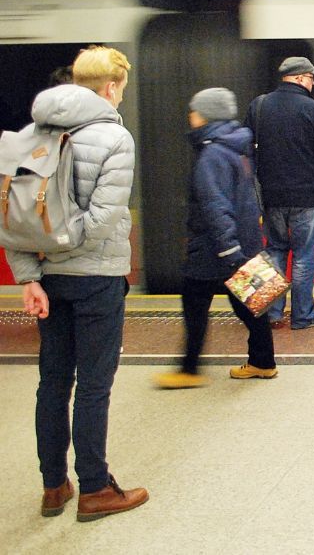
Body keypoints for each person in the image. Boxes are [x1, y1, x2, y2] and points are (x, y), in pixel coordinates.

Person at [7, 46, 148, 521]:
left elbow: (15, 215)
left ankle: (53, 487)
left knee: (52, 383)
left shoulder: (33, 133)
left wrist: (30, 273)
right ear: (112, 87)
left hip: (48, 279)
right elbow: (107, 217)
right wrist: (68, 243)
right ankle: (94, 489)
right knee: (93, 386)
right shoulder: (114, 137)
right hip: (97, 279)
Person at [155, 89, 277, 389]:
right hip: (243, 241)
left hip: (216, 247)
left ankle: (189, 369)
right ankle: (263, 362)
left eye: (194, 111)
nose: (190, 116)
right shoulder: (237, 147)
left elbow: (215, 205)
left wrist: (228, 249)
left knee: (195, 303)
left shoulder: (212, 154)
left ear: (206, 116)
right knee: (249, 303)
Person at [245, 56, 314, 330]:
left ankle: (271, 313)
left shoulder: (260, 106)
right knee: (303, 256)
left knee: (275, 251)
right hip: (306, 198)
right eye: (311, 77)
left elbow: (246, 151)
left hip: (271, 197)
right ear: (300, 78)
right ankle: (303, 316)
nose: (313, 82)